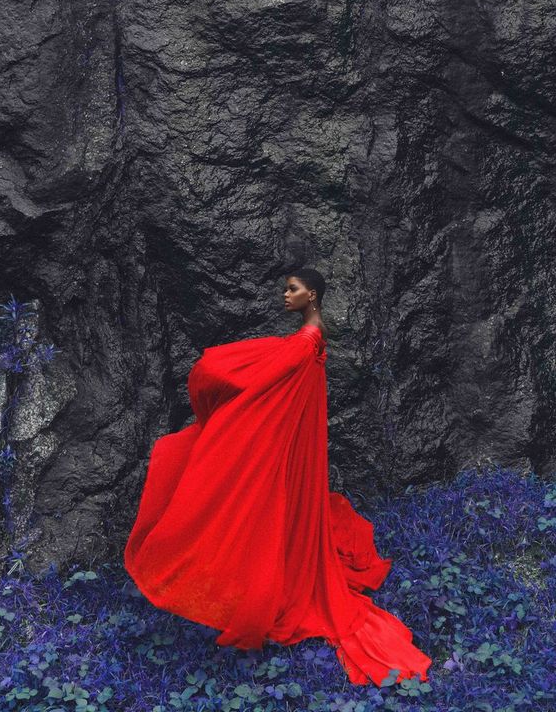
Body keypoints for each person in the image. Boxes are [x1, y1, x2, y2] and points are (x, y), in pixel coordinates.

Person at [123, 267, 432, 687]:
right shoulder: (310, 340)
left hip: (287, 441)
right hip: (294, 442)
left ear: (313, 295)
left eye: (293, 289)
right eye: (286, 288)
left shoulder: (304, 344)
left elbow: (248, 379)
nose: (285, 295)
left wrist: (212, 375)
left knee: (191, 468)